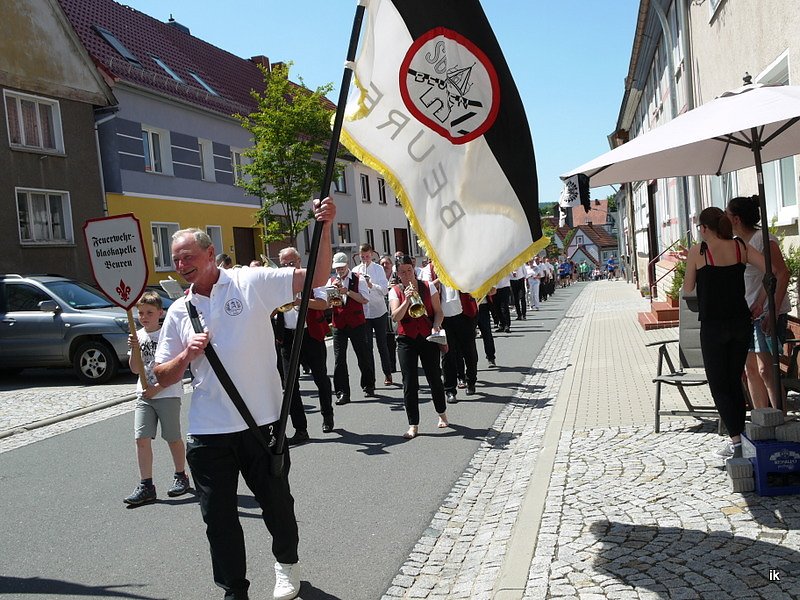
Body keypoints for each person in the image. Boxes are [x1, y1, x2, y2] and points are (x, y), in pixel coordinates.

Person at [153, 198, 335, 600]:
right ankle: (234, 589)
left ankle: (287, 566)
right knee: (217, 519)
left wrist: (324, 226)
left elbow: (315, 276)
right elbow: (161, 376)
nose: (181, 265)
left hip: (262, 424)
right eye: (175, 259)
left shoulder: (249, 283)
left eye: (188, 257)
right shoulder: (179, 311)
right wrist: (187, 355)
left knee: (277, 506)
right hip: (208, 431)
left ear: (210, 254)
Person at [682, 207, 764, 460]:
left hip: (714, 325)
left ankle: (736, 440)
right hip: (741, 322)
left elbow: (687, 289)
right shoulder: (740, 247)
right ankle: (740, 438)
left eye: (699, 228)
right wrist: (759, 300)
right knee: (733, 381)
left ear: (705, 228)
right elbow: (769, 270)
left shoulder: (700, 251)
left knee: (719, 386)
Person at [123, 290, 189, 506]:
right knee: (141, 438)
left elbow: (176, 369)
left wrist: (158, 388)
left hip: (167, 393)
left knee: (172, 437)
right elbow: (135, 369)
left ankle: (181, 475)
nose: (144, 317)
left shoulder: (167, 335)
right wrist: (134, 350)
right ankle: (146, 484)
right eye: (141, 313)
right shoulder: (139, 335)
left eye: (149, 312)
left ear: (160, 313)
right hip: (144, 395)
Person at [727, 195, 791, 410]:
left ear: (736, 219)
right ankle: (761, 420)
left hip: (768, 314)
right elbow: (765, 279)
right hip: (750, 312)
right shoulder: (738, 244)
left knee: (766, 369)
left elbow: (781, 274)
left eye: (727, 215)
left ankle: (779, 420)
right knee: (751, 370)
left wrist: (770, 310)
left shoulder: (764, 239)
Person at [275, 247, 334, 439]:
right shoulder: (278, 283)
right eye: (284, 264)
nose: (288, 267)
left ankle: (327, 415)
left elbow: (323, 303)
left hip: (311, 335)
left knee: (320, 378)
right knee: (289, 385)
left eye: (291, 263)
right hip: (288, 338)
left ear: (299, 262)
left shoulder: (312, 277)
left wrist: (300, 301)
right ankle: (300, 428)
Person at [389, 255, 449, 438]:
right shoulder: (394, 291)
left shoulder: (428, 286)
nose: (406, 275)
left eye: (409, 270)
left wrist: (436, 325)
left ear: (413, 269)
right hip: (406, 338)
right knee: (409, 382)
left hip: (427, 336)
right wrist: (407, 300)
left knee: (434, 377)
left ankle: (442, 413)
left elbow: (438, 312)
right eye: (402, 272)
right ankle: (413, 424)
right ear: (397, 274)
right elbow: (395, 317)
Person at [327, 252, 375, 404]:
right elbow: (328, 304)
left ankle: (368, 384)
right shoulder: (332, 280)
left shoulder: (358, 278)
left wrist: (346, 291)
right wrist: (331, 293)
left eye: (341, 267)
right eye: (337, 268)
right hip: (339, 323)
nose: (339, 271)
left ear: (347, 265)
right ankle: (342, 392)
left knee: (363, 356)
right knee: (339, 359)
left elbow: (365, 299)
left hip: (356, 322)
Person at [352, 243, 394, 385]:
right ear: (359, 256)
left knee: (382, 345)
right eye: (362, 257)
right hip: (364, 313)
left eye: (368, 256)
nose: (365, 259)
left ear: (372, 255)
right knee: (367, 347)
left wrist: (371, 285)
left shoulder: (378, 269)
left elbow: (384, 290)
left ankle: (387, 373)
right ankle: (371, 379)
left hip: (379, 311)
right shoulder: (356, 270)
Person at [380, 254, 398, 373]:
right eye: (382, 264)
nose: (385, 266)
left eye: (387, 263)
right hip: (384, 312)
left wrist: (396, 287)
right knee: (388, 340)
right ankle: (391, 366)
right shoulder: (378, 277)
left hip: (396, 311)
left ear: (391, 265)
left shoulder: (397, 276)